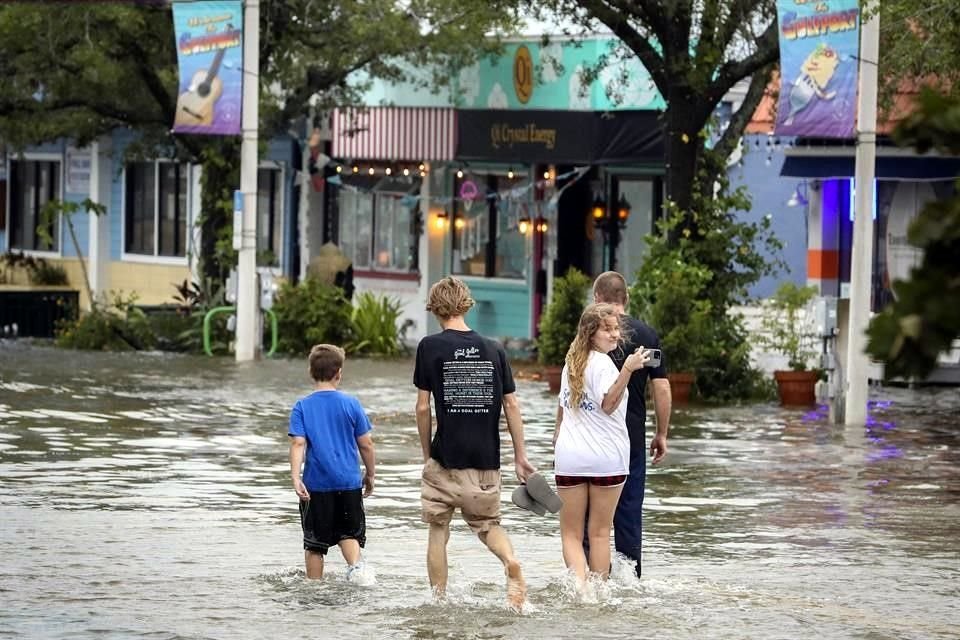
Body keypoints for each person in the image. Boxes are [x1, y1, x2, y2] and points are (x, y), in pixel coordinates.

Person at [414, 276, 536, 611]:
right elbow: (512, 405)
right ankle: (510, 560)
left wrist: (428, 455)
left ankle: (438, 601)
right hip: (486, 463)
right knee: (488, 527)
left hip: (445, 459)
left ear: (435, 309)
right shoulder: (495, 348)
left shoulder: (429, 346)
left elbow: (423, 407)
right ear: (467, 305)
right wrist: (520, 457)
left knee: (438, 530)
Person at [553, 303, 648, 592]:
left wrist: (557, 446)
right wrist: (628, 370)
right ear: (591, 333)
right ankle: (598, 595)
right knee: (599, 533)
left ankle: (581, 592)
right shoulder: (606, 365)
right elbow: (608, 404)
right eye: (608, 329)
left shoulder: (571, 364)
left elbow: (562, 412)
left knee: (571, 534)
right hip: (606, 459)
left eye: (617, 328)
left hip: (570, 458)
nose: (616, 335)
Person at [592, 270, 671, 578]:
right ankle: (628, 581)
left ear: (597, 299)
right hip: (630, 436)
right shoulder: (646, 336)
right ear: (626, 298)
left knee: (589, 514)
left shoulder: (590, 333)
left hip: (591, 436)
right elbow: (661, 387)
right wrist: (661, 433)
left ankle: (589, 580)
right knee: (628, 511)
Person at [289, 344, 376, 580]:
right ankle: (360, 576)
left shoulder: (302, 407)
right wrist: (370, 475)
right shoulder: (351, 404)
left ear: (310, 372)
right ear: (339, 373)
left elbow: (298, 444)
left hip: (316, 485)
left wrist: (296, 477)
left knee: (315, 544)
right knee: (348, 534)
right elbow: (366, 444)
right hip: (349, 482)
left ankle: (314, 589)